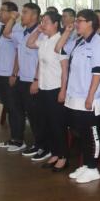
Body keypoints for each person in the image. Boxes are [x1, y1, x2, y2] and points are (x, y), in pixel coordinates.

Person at [56, 9, 100, 184]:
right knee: (83, 133)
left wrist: (90, 96)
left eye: (79, 20)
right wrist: (67, 31)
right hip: (75, 96)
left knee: (92, 134)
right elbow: (59, 48)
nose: (76, 23)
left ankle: (93, 168)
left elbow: (98, 72)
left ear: (90, 23)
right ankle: (86, 165)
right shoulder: (79, 41)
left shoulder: (98, 44)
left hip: (90, 97)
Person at [3, 2, 48, 158]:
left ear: (34, 15)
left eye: (25, 12)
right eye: (22, 12)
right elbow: (6, 33)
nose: (22, 15)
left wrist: (36, 80)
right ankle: (28, 142)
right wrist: (14, 73)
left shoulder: (41, 33)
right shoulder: (22, 32)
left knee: (36, 115)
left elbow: (42, 59)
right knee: (23, 111)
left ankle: (41, 145)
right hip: (22, 78)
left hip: (34, 80)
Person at [26, 11, 69, 172]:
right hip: (43, 87)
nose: (42, 24)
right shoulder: (44, 39)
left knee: (58, 124)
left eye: (46, 22)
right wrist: (38, 31)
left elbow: (65, 70)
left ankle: (63, 157)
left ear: (56, 24)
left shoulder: (61, 41)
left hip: (55, 88)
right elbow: (29, 43)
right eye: (42, 21)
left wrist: (63, 91)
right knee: (47, 123)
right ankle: (54, 153)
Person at [0, 1, 22, 150]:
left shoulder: (17, 29)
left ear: (12, 13)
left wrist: (14, 73)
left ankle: (18, 140)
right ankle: (13, 138)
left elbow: (19, 53)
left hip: (9, 74)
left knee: (14, 108)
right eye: (0, 10)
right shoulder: (1, 27)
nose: (0, 12)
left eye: (3, 10)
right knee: (9, 107)